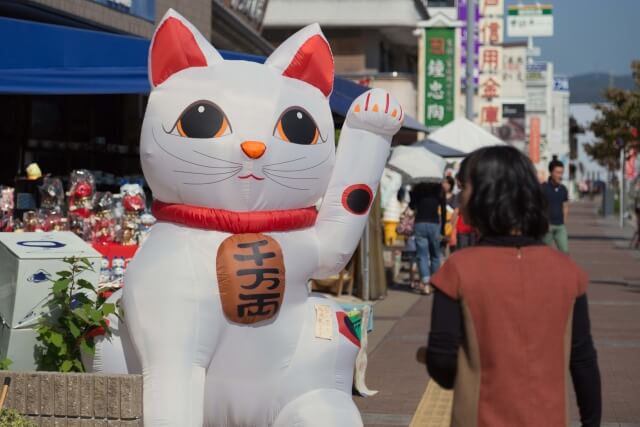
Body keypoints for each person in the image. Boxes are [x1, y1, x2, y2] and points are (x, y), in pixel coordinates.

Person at [426, 146, 601, 427]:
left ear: (487, 192)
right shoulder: (568, 273)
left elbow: (441, 362)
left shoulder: (458, 270)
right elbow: (583, 362)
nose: (459, 197)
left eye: (464, 187)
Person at [409, 182, 446, 295]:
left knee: (422, 255)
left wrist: (412, 193)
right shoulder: (438, 188)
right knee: (435, 255)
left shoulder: (418, 188)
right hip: (434, 224)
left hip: (420, 223)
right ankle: (435, 283)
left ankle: (425, 284)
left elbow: (412, 206)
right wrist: (443, 228)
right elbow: (443, 210)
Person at [541, 158, 569, 253]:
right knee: (545, 253)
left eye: (561, 173)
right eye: (557, 173)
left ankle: (564, 268)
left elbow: (565, 206)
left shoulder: (563, 189)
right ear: (551, 172)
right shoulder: (543, 188)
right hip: (547, 227)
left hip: (560, 226)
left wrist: (564, 222)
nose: (560, 176)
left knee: (565, 252)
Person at [442, 176, 458, 255]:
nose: (444, 185)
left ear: (451, 185)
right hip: (440, 226)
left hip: (450, 226)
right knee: (440, 250)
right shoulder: (439, 196)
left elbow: (456, 212)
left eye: (447, 183)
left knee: (452, 250)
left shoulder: (455, 197)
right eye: (443, 182)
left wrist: (452, 226)